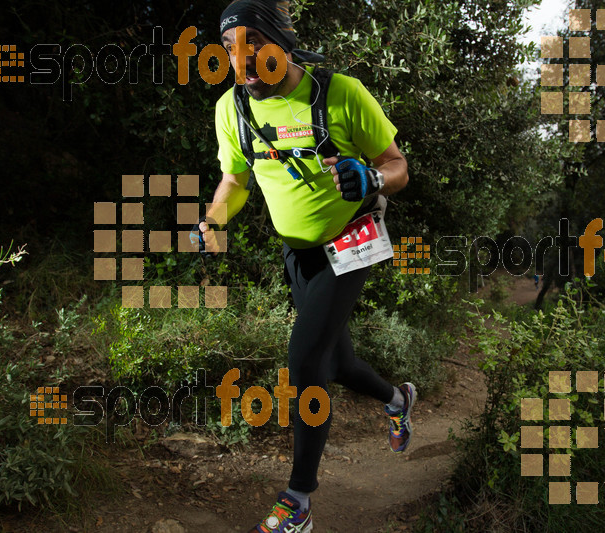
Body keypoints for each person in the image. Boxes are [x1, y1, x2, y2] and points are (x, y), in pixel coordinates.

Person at [200, 1, 416, 531]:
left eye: (252, 46)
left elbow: (398, 166)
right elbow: (234, 181)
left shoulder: (340, 93)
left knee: (303, 363)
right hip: (297, 253)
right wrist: (212, 221)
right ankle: (398, 398)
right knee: (335, 363)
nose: (242, 61)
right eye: (230, 50)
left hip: (353, 241)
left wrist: (373, 179)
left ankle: (298, 500)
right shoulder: (233, 110)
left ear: (281, 42)